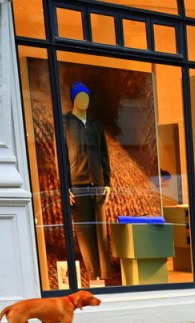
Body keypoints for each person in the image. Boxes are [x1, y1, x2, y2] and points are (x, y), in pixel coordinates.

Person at [62, 81, 112, 283]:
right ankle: (93, 275)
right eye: (81, 96)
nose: (85, 100)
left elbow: (103, 155)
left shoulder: (95, 125)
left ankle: (105, 276)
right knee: (84, 232)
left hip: (98, 184)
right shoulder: (65, 123)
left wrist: (107, 182)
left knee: (100, 230)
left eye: (87, 97)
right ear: (74, 99)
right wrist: (65, 186)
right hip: (77, 184)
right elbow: (62, 156)